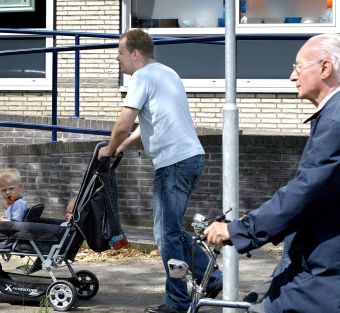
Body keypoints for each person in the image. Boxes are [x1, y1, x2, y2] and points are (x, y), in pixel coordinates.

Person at [204, 33, 340, 313]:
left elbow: (306, 191)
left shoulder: (336, 120)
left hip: (324, 269)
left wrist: (239, 230)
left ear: (325, 68)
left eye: (298, 67)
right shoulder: (330, 116)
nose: (292, 77)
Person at [97, 29, 222, 313]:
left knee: (166, 236)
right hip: (192, 158)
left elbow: (124, 123)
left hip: (174, 163)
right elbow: (150, 123)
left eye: (120, 52)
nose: (118, 58)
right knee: (174, 232)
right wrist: (124, 147)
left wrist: (109, 148)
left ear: (135, 54)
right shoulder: (168, 73)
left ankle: (177, 301)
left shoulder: (141, 77)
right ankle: (212, 277)